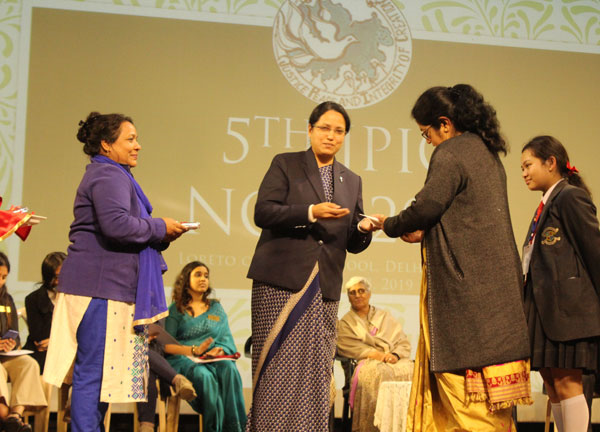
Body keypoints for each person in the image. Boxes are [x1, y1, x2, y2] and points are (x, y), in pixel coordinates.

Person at [376, 84, 531, 431]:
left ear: (444, 124)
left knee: (465, 403)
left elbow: (427, 207)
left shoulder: (451, 152)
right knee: (493, 410)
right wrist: (427, 232)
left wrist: (390, 224)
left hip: (467, 302)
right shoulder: (486, 152)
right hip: (498, 300)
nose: (429, 141)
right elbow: (464, 217)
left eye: (426, 133)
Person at [42, 112, 188, 432]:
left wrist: (161, 233)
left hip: (108, 288)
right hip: (99, 289)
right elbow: (117, 226)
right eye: (130, 139)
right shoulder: (108, 175)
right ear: (107, 145)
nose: (138, 145)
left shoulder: (112, 174)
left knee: (104, 375)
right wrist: (159, 227)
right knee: (94, 373)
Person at [246, 101, 378, 431]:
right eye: (324, 128)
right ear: (310, 129)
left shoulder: (351, 179)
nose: (331, 136)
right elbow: (263, 212)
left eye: (339, 131)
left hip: (326, 285)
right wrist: (310, 212)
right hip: (281, 281)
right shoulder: (286, 164)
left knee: (317, 372)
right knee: (277, 368)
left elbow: (352, 240)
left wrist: (363, 228)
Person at [520, 135, 600, 432]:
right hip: (544, 307)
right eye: (522, 168)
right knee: (551, 382)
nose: (524, 173)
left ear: (551, 162)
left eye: (528, 165)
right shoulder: (546, 202)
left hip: (568, 308)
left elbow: (594, 251)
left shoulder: (570, 196)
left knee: (566, 382)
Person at [164, 261, 247, 432]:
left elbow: (226, 338)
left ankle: (234, 428)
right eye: (198, 275)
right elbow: (167, 344)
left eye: (206, 276)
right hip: (184, 359)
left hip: (212, 358)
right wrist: (195, 351)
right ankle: (213, 427)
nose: (203, 279)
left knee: (229, 368)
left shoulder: (216, 308)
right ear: (186, 280)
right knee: (205, 376)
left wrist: (220, 350)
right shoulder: (176, 309)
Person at [337, 276, 413, 432]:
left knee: (411, 370)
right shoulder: (346, 323)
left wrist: (395, 355)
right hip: (366, 361)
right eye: (352, 292)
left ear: (369, 293)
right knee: (378, 373)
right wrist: (375, 354)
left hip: (392, 359)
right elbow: (346, 346)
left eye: (361, 291)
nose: (357, 295)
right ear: (348, 297)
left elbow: (402, 341)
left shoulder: (384, 316)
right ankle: (372, 427)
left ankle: (404, 425)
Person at [0, 252, 48, 432]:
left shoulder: (6, 299)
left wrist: (11, 343)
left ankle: (15, 415)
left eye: (4, 277)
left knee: (28, 364)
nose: (1, 281)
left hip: (5, 355)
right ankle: (9, 421)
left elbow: (14, 333)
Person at [24, 251, 66, 373]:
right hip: (41, 353)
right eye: (57, 277)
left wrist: (55, 342)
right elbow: (40, 338)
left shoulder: (76, 299)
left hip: (66, 349)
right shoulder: (33, 299)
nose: (60, 282)